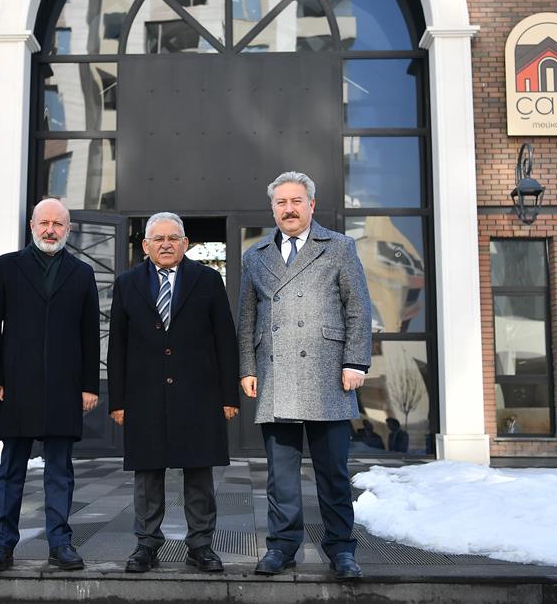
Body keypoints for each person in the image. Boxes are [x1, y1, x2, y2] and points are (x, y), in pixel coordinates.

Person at [237, 171, 372, 580]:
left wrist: (356, 362)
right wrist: (247, 366)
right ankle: (281, 547)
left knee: (333, 473)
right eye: (281, 202)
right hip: (277, 376)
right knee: (280, 477)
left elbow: (358, 308)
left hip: (328, 376)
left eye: (296, 201)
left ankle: (341, 549)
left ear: (311, 205)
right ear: (273, 208)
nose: (289, 209)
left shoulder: (340, 247)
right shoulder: (255, 254)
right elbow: (248, 317)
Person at [107, 212, 240, 574]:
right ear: (146, 246)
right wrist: (117, 400)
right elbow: (116, 345)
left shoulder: (208, 280)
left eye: (173, 238)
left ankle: (201, 545)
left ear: (185, 244)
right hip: (143, 395)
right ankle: (146, 545)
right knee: (147, 474)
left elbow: (225, 340)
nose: (166, 244)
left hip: (199, 394)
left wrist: (230, 395)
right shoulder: (127, 282)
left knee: (198, 472)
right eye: (158, 239)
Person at [0, 198, 100, 572]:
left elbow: (90, 334)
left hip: (64, 387)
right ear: (32, 225)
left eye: (58, 224)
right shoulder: (5, 267)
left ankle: (60, 543)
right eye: (44, 223)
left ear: (68, 230)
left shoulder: (82, 273)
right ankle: (2, 545)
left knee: (60, 470)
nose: (51, 230)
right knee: (11, 469)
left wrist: (89, 385)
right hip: (15, 385)